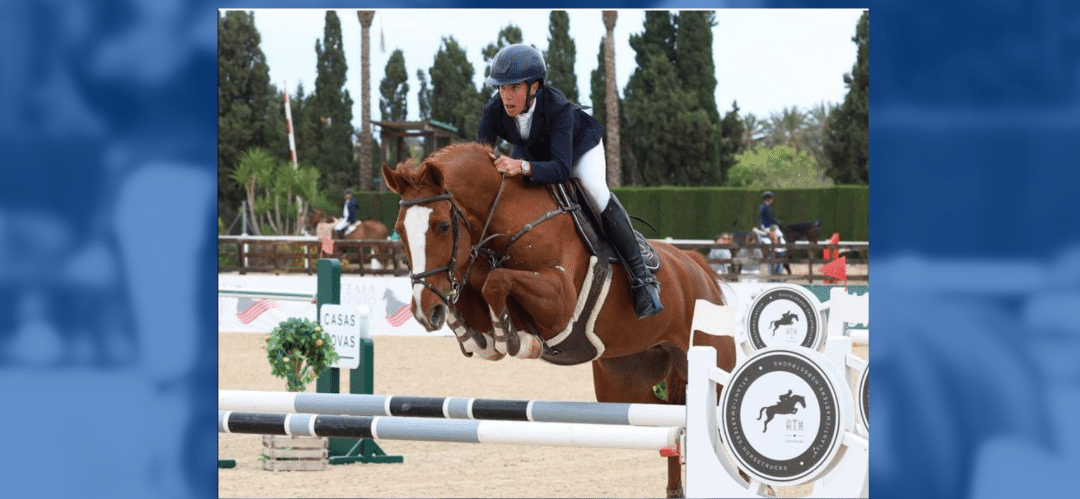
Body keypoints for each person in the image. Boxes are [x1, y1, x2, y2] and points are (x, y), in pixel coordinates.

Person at [476, 44, 661, 319]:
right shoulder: (493, 110)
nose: (506, 96)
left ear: (534, 87)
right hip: (534, 150)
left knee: (597, 193)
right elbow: (483, 158)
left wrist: (521, 166)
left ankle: (643, 280)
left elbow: (562, 169)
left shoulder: (559, 107)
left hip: (577, 150)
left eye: (514, 88)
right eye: (501, 88)